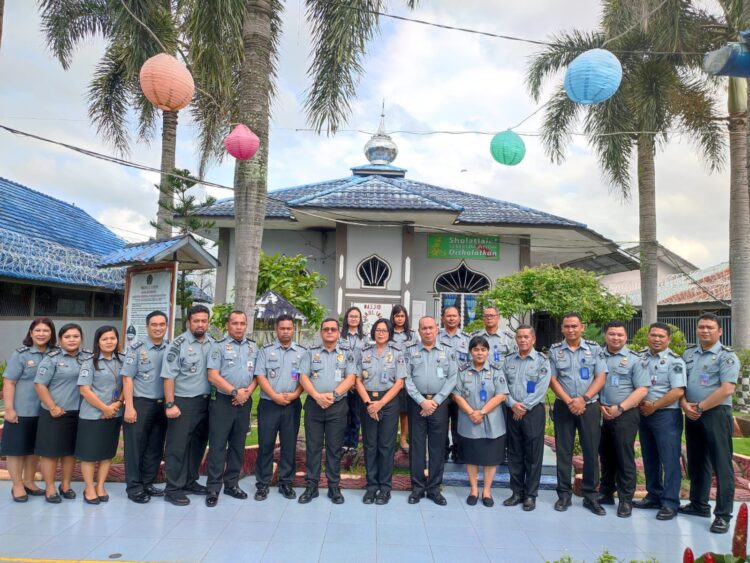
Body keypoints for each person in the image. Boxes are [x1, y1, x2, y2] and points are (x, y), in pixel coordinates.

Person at [680, 313, 740, 534]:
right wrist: (685, 405)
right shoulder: (689, 354)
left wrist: (701, 407)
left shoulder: (727, 357)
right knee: (697, 461)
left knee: (721, 465)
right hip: (692, 412)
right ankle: (699, 504)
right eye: (702, 327)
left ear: (719, 331)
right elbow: (681, 384)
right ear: (696, 330)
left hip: (715, 413)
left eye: (710, 328)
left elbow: (727, 389)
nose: (705, 331)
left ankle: (723, 515)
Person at [548, 312, 607, 515]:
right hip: (564, 406)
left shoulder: (594, 349)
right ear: (562, 329)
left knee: (591, 451)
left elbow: (600, 377)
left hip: (588, 405)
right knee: (564, 452)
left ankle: (591, 495)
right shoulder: (555, 351)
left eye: (574, 326)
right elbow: (552, 380)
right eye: (567, 326)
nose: (571, 330)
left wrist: (583, 399)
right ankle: (564, 495)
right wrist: (569, 401)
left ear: (582, 327)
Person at [298, 318, 357, 504]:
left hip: (337, 405)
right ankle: (311, 487)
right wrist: (317, 396)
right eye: (326, 329)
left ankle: (334, 488)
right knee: (313, 447)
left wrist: (332, 395)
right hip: (314, 405)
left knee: (334, 448)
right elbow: (303, 377)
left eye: (333, 329)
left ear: (339, 333)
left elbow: (351, 378)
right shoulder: (310, 353)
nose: (330, 332)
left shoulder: (347, 354)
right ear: (321, 333)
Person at [204, 310, 258, 507]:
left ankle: (232, 484)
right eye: (234, 323)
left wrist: (247, 393)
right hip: (224, 401)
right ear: (228, 325)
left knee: (237, 444)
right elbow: (213, 376)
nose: (238, 327)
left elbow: (257, 376)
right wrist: (236, 392)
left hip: (244, 402)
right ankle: (213, 487)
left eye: (242, 323)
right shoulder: (218, 347)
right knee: (218, 445)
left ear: (246, 325)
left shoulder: (253, 347)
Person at [161, 304, 214, 506]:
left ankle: (190, 481)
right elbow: (168, 376)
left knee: (197, 445)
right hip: (183, 402)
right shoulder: (178, 344)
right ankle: (173, 488)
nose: (200, 324)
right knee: (177, 446)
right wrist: (170, 403)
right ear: (189, 322)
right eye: (196, 321)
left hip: (206, 402)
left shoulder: (212, 343)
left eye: (203, 320)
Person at [633, 323, 686, 521]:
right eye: (653, 335)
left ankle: (670, 502)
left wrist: (654, 405)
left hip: (666, 415)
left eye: (661, 336)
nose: (656, 339)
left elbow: (678, 391)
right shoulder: (641, 357)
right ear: (648, 336)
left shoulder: (675, 362)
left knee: (669, 459)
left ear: (668, 339)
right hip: (644, 414)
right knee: (650, 457)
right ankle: (653, 495)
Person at [597, 321, 650, 518]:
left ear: (626, 337)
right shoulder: (597, 356)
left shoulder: (636, 360)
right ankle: (606, 492)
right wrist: (599, 406)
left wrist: (620, 408)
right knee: (606, 454)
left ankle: (626, 499)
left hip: (625, 413)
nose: (615, 338)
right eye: (612, 334)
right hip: (602, 412)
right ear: (606, 336)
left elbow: (643, 389)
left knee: (624, 455)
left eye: (620, 335)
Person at [404, 316, 458, 505]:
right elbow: (406, 378)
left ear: (437, 329)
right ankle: (417, 488)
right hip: (417, 403)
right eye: (423, 328)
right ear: (418, 331)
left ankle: (434, 488)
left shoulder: (448, 351)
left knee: (437, 447)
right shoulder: (410, 352)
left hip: (439, 403)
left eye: (430, 328)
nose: (427, 331)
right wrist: (421, 401)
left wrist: (435, 401)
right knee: (417, 446)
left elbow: (452, 378)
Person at [2, 317, 56, 502]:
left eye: (46, 331)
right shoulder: (22, 355)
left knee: (35, 449)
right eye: (38, 330)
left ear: (51, 334)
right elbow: (9, 382)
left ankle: (29, 481)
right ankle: (17, 485)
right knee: (16, 450)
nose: (42, 334)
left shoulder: (55, 354)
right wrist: (9, 409)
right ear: (31, 333)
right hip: (21, 410)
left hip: (44, 412)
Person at [254, 314, 307, 501]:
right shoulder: (265, 351)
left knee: (289, 445)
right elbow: (260, 376)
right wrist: (274, 396)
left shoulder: (302, 352)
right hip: (269, 403)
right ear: (276, 329)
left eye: (289, 328)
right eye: (282, 328)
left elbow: (305, 378)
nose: (285, 331)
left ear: (294, 329)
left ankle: (286, 482)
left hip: (292, 404)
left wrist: (294, 395)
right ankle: (262, 484)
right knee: (266, 444)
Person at [452, 336, 509, 507]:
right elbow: (456, 395)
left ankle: (487, 491)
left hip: (492, 421)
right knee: (472, 457)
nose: (479, 353)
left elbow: (501, 394)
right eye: (476, 349)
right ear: (470, 352)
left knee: (490, 458)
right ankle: (474, 490)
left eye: (483, 349)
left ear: (488, 351)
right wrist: (472, 412)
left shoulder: (496, 370)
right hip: (469, 420)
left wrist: (482, 412)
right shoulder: (462, 371)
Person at [34, 323, 87, 503]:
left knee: (70, 452)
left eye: (76, 336)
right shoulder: (52, 359)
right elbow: (40, 384)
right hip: (55, 412)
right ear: (60, 340)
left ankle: (65, 485)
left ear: (81, 338)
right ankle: (50, 487)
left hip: (79, 412)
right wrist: (52, 407)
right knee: (50, 453)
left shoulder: (88, 357)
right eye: (67, 336)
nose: (72, 339)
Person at [355, 318, 406, 505]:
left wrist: (380, 403)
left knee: (386, 445)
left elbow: (400, 382)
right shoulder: (364, 353)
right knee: (370, 445)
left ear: (390, 333)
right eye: (378, 330)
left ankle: (385, 488)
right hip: (367, 400)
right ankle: (371, 486)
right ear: (373, 332)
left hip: (389, 401)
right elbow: (357, 379)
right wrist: (369, 403)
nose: (381, 333)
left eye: (384, 330)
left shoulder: (397, 353)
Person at [121, 310, 169, 504]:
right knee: (135, 448)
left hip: (162, 404)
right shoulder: (136, 348)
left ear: (166, 326)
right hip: (140, 403)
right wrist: (129, 406)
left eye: (161, 324)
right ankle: (134, 487)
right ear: (147, 327)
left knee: (155, 446)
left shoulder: (170, 348)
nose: (158, 328)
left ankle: (148, 482)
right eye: (154, 325)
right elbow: (127, 378)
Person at [501, 325, 550, 512]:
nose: (522, 340)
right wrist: (513, 404)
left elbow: (542, 387)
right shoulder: (508, 361)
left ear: (533, 339)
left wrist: (524, 407)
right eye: (519, 337)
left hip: (533, 412)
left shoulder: (542, 361)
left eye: (526, 337)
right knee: (514, 453)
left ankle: (530, 494)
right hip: (512, 410)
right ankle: (516, 492)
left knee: (533, 454)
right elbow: (502, 384)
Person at [75, 325, 124, 505]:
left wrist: (117, 404)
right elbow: (84, 390)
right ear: (98, 342)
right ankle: (89, 487)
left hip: (114, 414)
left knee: (106, 453)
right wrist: (104, 408)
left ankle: (100, 485)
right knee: (89, 454)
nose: (109, 342)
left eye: (112, 338)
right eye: (105, 339)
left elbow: (127, 384)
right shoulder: (90, 362)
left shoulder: (122, 361)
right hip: (93, 416)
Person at [439, 305, 469, 462]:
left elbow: (472, 362)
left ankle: (458, 450)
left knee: (459, 422)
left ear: (459, 318)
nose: (451, 318)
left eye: (454, 316)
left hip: (460, 390)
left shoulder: (467, 339)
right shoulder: (436, 337)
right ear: (442, 318)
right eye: (448, 316)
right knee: (441, 423)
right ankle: (442, 450)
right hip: (441, 389)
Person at [391, 305, 416, 453]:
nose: (399, 318)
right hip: (390, 377)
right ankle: (391, 438)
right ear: (393, 317)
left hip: (407, 377)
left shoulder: (412, 335)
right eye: (397, 316)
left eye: (402, 316)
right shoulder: (388, 333)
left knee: (405, 411)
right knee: (392, 410)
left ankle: (403, 439)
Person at [341, 306, 366, 453]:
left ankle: (353, 443)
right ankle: (344, 442)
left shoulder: (365, 338)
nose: (354, 319)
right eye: (351, 316)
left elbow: (366, 359)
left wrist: (358, 379)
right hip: (343, 380)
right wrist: (346, 379)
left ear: (360, 319)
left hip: (358, 381)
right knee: (344, 412)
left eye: (357, 316)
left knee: (356, 413)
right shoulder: (340, 337)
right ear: (347, 318)